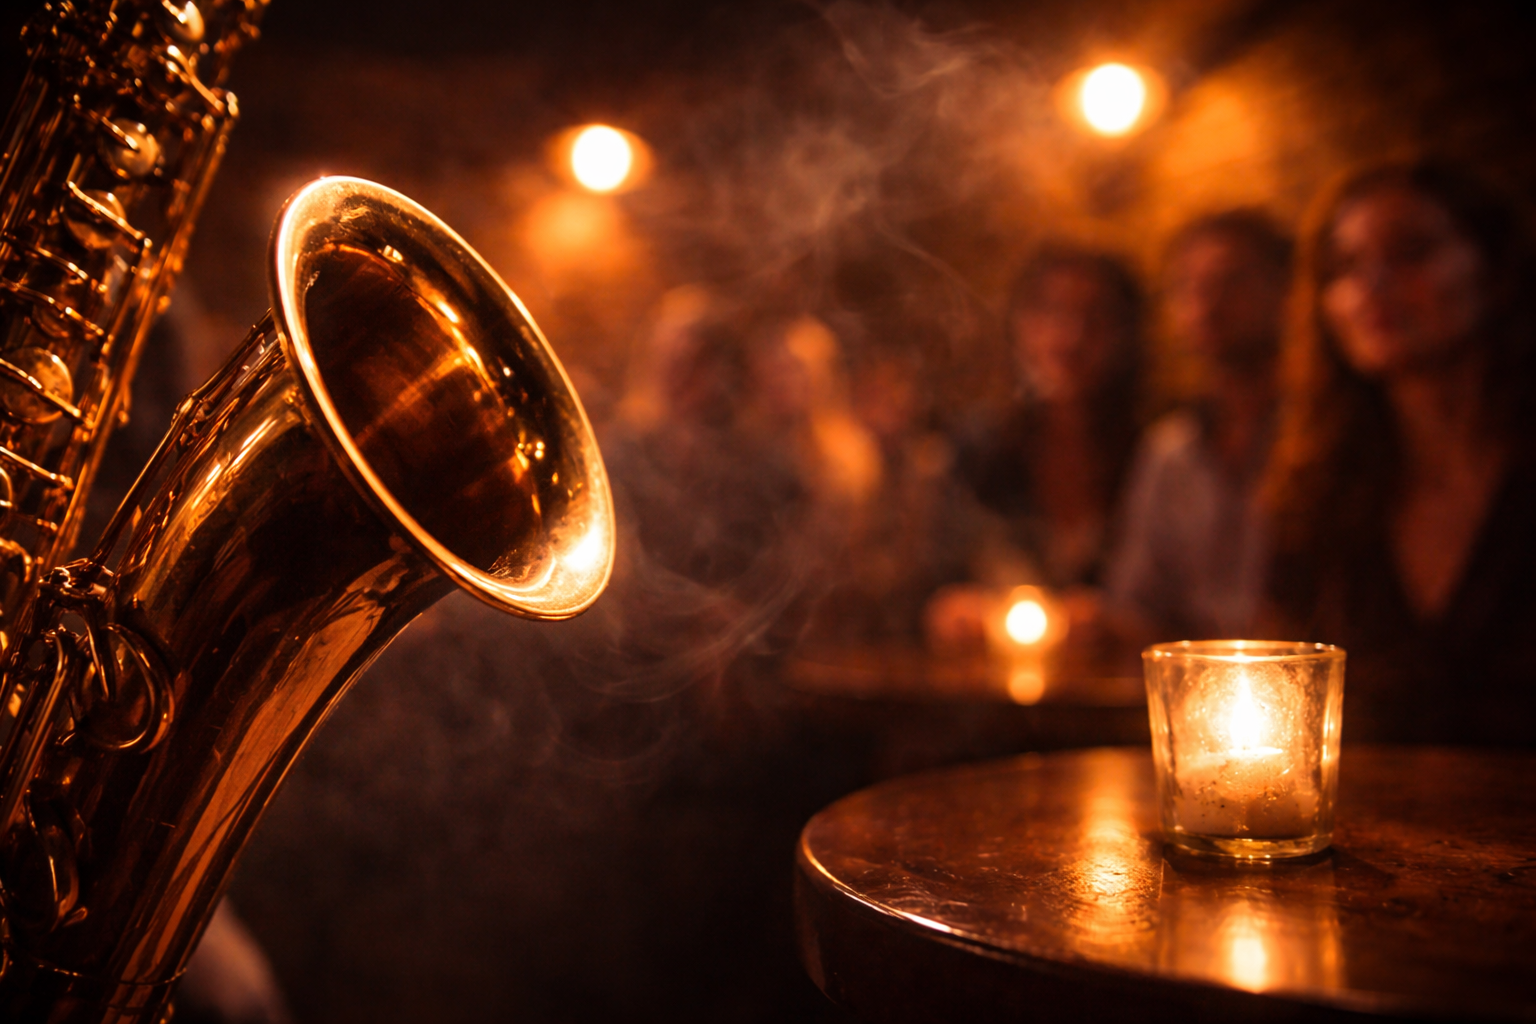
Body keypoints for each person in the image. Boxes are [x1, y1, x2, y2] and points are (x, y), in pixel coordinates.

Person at [1265, 159, 1536, 747]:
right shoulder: (1319, 495)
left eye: (1410, 252)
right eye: (1344, 266)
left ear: (1493, 268)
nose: (1373, 285)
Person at [1103, 210, 1292, 644]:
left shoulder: (1321, 438)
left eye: (1232, 281)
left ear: (1286, 291)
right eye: (1189, 286)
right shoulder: (1171, 449)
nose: (1207, 303)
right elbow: (1132, 601)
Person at [956, 244, 1145, 590]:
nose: (1072, 336)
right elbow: (939, 577)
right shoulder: (980, 450)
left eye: (1095, 316)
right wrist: (953, 608)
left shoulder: (1151, 454)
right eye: (1052, 310)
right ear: (1017, 323)